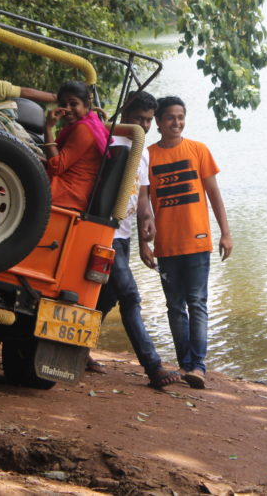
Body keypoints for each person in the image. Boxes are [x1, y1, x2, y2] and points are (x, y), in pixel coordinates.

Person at [141, 96, 233, 390]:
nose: (176, 123)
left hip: (197, 242)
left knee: (197, 303)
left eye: (180, 117)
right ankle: (185, 364)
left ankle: (199, 366)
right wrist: (144, 243)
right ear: (158, 122)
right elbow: (142, 203)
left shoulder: (198, 150)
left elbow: (214, 194)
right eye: (170, 118)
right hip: (166, 245)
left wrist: (225, 232)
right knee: (175, 306)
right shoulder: (148, 155)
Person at [94, 91, 180, 389]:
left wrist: (147, 223)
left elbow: (142, 193)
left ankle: (78, 348)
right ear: (125, 116)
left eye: (147, 121)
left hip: (126, 232)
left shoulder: (141, 148)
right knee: (130, 295)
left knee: (107, 296)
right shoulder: (111, 140)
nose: (143, 126)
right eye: (138, 119)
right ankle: (153, 366)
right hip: (106, 231)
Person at [42, 80, 108, 211]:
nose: (67, 109)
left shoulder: (84, 129)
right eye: (63, 104)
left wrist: (48, 128)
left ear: (86, 105)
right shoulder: (78, 126)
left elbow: (56, 166)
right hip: (62, 190)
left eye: (73, 104)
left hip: (67, 196)